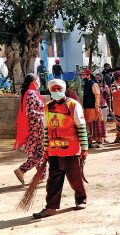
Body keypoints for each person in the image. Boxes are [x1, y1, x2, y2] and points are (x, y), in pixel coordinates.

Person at [32, 79, 88, 218]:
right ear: (50, 91)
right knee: (53, 180)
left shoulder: (73, 105)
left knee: (75, 177)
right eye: (53, 89)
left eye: (59, 89)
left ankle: (81, 199)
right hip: (54, 150)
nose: (56, 92)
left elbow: (81, 127)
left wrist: (84, 148)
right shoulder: (47, 106)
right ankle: (51, 207)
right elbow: (46, 129)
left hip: (72, 149)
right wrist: (46, 149)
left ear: (63, 89)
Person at [13, 73, 46, 184]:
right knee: (41, 152)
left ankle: (41, 175)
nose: (40, 83)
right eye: (38, 80)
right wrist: (44, 115)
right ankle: (22, 170)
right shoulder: (31, 93)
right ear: (33, 82)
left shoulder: (29, 93)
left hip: (34, 127)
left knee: (39, 152)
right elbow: (31, 112)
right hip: (36, 127)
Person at [80, 69, 103, 148]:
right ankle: (89, 141)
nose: (82, 77)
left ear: (88, 75)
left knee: (96, 123)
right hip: (87, 108)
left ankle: (99, 141)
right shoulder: (86, 84)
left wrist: (97, 107)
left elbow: (97, 96)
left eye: (84, 75)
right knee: (88, 125)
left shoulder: (93, 84)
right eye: (82, 75)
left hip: (93, 108)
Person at [95, 73, 110, 139]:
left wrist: (109, 107)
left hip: (104, 106)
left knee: (104, 121)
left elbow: (108, 98)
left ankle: (105, 135)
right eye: (96, 78)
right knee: (97, 121)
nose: (98, 79)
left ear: (102, 78)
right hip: (97, 106)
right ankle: (99, 136)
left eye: (99, 77)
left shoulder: (105, 87)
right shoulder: (94, 86)